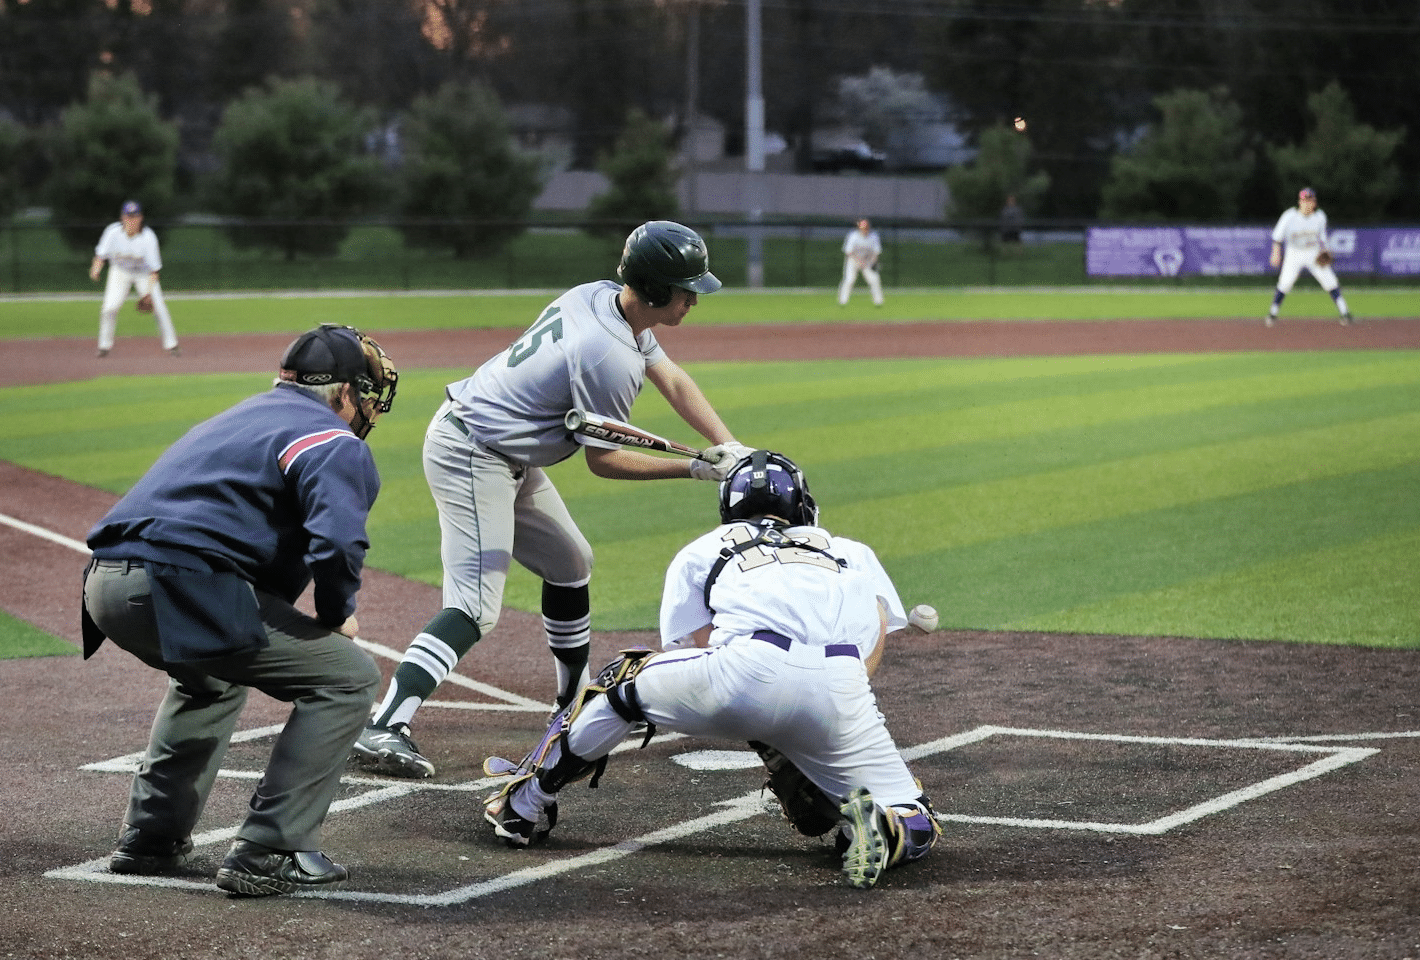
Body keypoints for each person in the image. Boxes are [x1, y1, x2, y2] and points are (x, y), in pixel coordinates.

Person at [349, 220, 753, 780]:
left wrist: (728, 445)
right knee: (474, 606)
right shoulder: (605, 355)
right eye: (685, 288)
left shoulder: (602, 298)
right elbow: (603, 459)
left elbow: (674, 379)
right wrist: (691, 468)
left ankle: (572, 705)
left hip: (510, 451)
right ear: (656, 289)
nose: (692, 298)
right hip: (472, 450)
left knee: (570, 562)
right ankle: (386, 724)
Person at [482, 451, 941, 890]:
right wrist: (807, 737)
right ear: (803, 505)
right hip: (843, 685)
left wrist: (762, 720)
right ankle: (882, 826)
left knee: (623, 682)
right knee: (915, 812)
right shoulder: (852, 551)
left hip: (744, 671)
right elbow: (873, 636)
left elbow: (692, 649)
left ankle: (523, 803)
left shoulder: (706, 547)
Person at [79, 323, 399, 897]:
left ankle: (151, 838)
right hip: (179, 585)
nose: (369, 405)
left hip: (103, 585)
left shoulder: (240, 415)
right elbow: (338, 546)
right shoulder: (333, 440)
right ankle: (270, 848)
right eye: (364, 393)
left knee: (210, 680)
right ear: (345, 394)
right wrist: (334, 612)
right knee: (349, 678)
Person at [90, 200, 180, 357]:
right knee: (109, 308)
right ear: (122, 218)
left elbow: (154, 271)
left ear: (141, 218)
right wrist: (95, 269)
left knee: (159, 307)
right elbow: (100, 255)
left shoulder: (148, 237)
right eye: (128, 216)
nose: (131, 220)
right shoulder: (112, 233)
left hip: (144, 274)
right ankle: (104, 347)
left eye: (134, 216)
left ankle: (172, 345)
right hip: (120, 272)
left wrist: (148, 294)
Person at [1266, 187, 1353, 327]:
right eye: (1304, 200)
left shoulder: (1320, 217)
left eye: (1310, 200)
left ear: (1315, 203)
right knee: (1285, 283)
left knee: (1330, 281)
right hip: (1294, 252)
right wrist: (1275, 253)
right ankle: (1272, 313)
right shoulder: (1289, 216)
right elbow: (1277, 236)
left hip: (1313, 252)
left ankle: (1345, 313)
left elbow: (1323, 238)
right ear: (1299, 202)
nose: (1307, 203)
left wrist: (1325, 250)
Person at [837, 218, 884, 308]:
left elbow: (876, 252)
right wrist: (859, 261)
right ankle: (842, 301)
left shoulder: (874, 236)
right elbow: (848, 252)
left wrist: (874, 262)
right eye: (863, 227)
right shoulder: (853, 236)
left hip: (867, 261)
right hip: (853, 260)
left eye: (866, 227)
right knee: (849, 280)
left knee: (874, 280)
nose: (865, 229)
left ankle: (878, 302)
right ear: (859, 228)